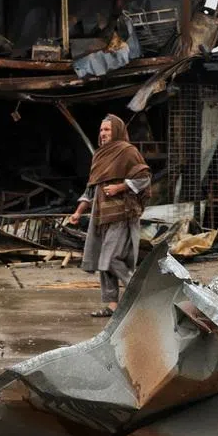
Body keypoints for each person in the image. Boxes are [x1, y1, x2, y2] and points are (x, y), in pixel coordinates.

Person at [68, 115, 151, 317]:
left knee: (111, 259)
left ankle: (141, 293)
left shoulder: (127, 151)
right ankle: (112, 306)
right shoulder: (99, 155)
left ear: (117, 131)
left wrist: (119, 187)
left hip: (121, 213)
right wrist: (78, 212)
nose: (103, 134)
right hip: (101, 215)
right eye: (101, 130)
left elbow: (144, 179)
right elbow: (91, 189)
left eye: (107, 130)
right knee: (102, 261)